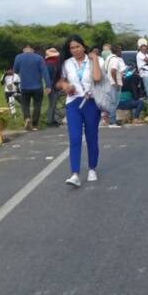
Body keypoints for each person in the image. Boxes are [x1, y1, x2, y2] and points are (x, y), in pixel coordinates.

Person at [60, 34, 103, 188]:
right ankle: (75, 174)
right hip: (73, 103)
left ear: (83, 47)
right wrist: (65, 86)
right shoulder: (67, 63)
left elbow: (97, 78)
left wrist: (95, 59)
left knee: (91, 136)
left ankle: (92, 168)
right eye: (72, 48)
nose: (75, 50)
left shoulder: (95, 60)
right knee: (75, 137)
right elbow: (61, 80)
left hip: (91, 102)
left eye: (78, 46)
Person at [13, 44, 52, 131]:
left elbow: (15, 70)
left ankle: (27, 118)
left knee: (25, 104)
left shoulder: (18, 57)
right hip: (38, 87)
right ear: (33, 50)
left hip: (24, 86)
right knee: (37, 105)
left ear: (24, 49)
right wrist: (48, 85)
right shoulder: (39, 58)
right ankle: (35, 125)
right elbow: (45, 72)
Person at [103, 45, 125, 127]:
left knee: (111, 102)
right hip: (114, 83)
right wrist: (116, 82)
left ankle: (111, 120)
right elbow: (113, 71)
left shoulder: (108, 58)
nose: (121, 52)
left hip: (108, 82)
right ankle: (112, 122)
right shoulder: (115, 59)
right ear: (118, 51)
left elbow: (105, 70)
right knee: (114, 103)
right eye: (120, 50)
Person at [44, 48, 62, 126]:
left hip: (53, 85)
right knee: (52, 103)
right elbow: (49, 77)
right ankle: (50, 120)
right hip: (52, 86)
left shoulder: (50, 63)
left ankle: (52, 119)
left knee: (53, 103)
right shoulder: (50, 64)